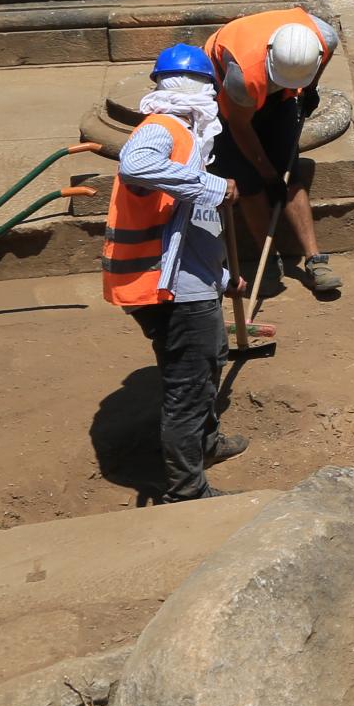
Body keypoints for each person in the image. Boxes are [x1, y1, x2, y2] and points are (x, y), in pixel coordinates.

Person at [102, 44, 249, 504]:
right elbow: (137, 164)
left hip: (185, 282)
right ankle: (187, 491)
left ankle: (206, 444)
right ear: (203, 89)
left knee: (209, 362)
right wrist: (214, 185)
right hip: (169, 293)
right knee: (188, 387)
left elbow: (181, 229)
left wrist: (224, 281)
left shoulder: (185, 135)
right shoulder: (163, 127)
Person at [203, 5, 343, 298]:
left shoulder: (324, 38)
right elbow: (240, 126)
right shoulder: (241, 75)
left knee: (289, 172)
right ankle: (269, 259)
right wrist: (267, 173)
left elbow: (315, 68)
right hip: (228, 101)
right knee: (249, 180)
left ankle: (315, 259)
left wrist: (311, 88)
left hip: (276, 86)